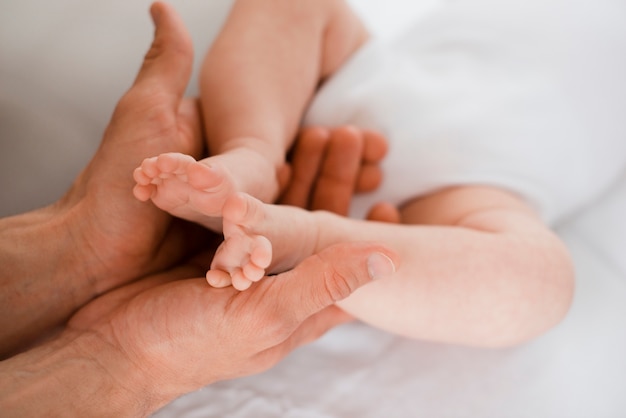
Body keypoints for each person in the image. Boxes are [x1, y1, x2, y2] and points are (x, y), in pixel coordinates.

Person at [0, 3, 398, 415]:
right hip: (353, 95)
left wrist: (306, 237)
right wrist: (120, 362)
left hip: (430, 213)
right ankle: (254, 158)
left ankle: (260, 191)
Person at [134, 0, 579, 348]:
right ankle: (252, 154)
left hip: (471, 192)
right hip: (369, 74)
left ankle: (308, 240)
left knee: (543, 283)